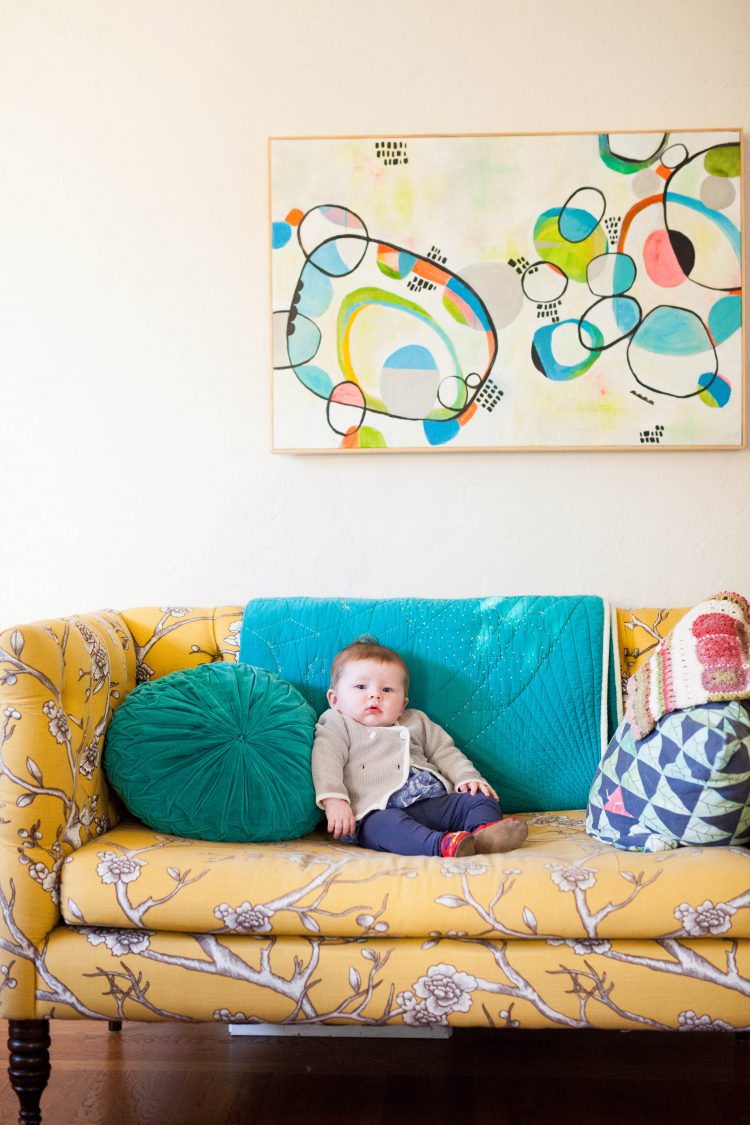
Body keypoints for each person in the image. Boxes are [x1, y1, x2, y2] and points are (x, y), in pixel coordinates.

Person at [312, 636, 528, 858]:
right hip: (376, 810)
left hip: (433, 802)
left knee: (480, 799)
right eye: (360, 686)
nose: (375, 695)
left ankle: (484, 835)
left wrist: (467, 777)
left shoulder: (416, 721)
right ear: (335, 699)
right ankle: (443, 845)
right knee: (384, 827)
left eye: (387, 690)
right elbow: (326, 760)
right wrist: (335, 801)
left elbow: (445, 752)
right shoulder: (337, 723)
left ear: (403, 704)